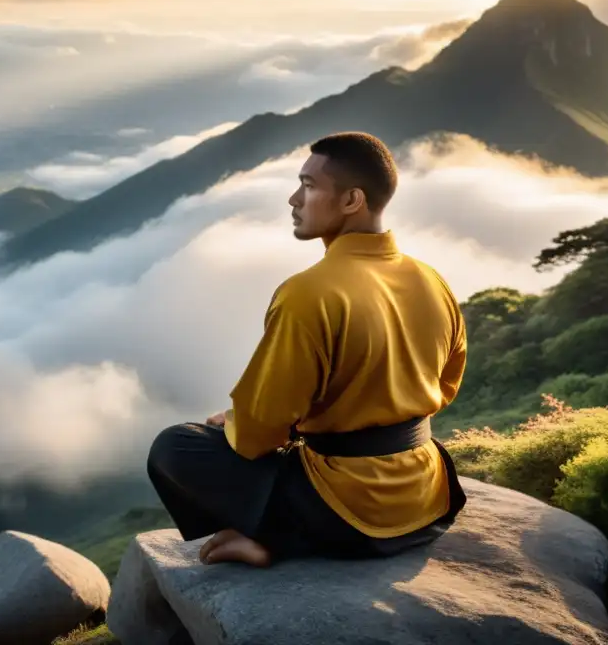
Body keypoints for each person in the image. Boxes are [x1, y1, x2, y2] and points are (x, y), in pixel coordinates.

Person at [146, 130, 468, 568]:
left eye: (309, 186)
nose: (294, 199)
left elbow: (259, 433)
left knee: (175, 447)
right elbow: (446, 386)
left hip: (350, 510)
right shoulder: (432, 279)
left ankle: (273, 537)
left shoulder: (308, 293)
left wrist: (240, 425)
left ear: (352, 200)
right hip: (427, 496)